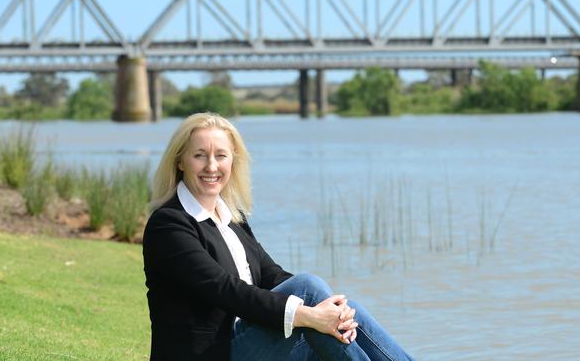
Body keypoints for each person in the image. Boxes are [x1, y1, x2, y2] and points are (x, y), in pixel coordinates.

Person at [142, 112, 415, 361]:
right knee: (308, 290)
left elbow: (272, 275)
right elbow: (225, 290)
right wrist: (309, 314)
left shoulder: (231, 218)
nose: (211, 166)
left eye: (221, 155)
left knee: (342, 308)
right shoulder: (169, 224)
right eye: (200, 155)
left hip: (247, 346)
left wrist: (328, 310)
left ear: (233, 160)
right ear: (180, 161)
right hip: (210, 354)